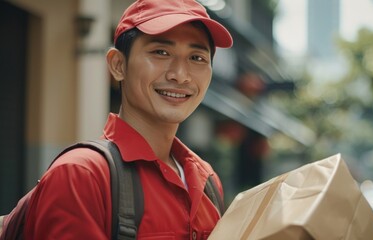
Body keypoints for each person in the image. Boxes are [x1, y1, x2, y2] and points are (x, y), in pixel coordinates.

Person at [23, 0, 233, 239]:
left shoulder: (206, 180)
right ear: (118, 65)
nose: (180, 75)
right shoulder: (81, 175)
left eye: (197, 58)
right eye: (161, 52)